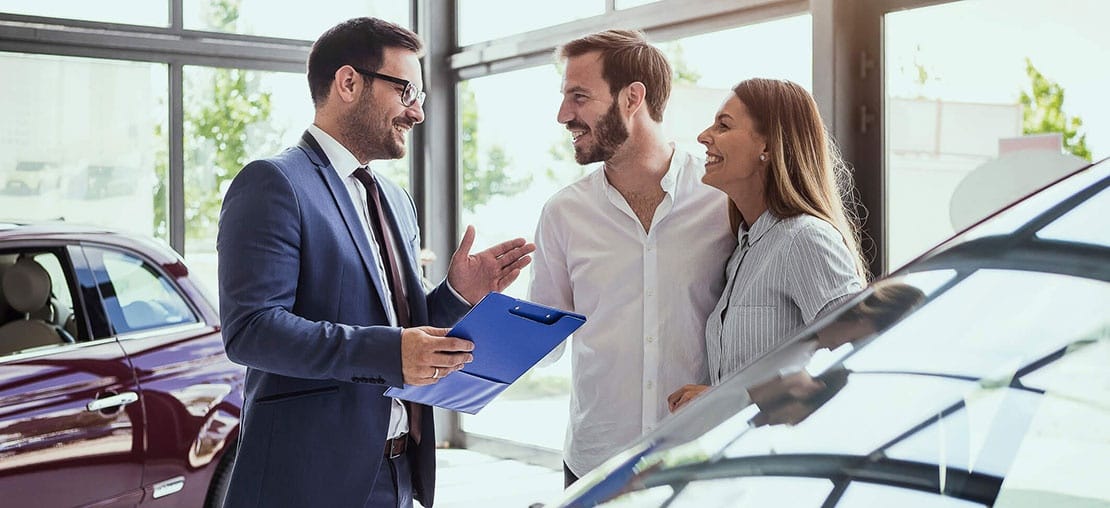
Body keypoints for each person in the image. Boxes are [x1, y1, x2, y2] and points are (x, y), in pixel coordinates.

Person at [217, 17, 534, 508]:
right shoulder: (274, 183)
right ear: (349, 83)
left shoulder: (393, 198)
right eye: (407, 91)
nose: (418, 113)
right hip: (309, 484)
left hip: (398, 473)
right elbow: (252, 330)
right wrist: (389, 354)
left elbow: (400, 328)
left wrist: (456, 296)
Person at [528, 29, 736, 486]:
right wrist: (475, 306)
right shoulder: (563, 213)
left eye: (579, 97)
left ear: (632, 97)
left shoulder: (722, 199)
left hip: (699, 459)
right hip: (595, 464)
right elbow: (541, 345)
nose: (564, 115)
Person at [668, 78, 868, 413]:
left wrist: (726, 398)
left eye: (723, 125)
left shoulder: (805, 240)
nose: (704, 136)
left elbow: (856, 361)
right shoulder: (743, 249)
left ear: (769, 147)